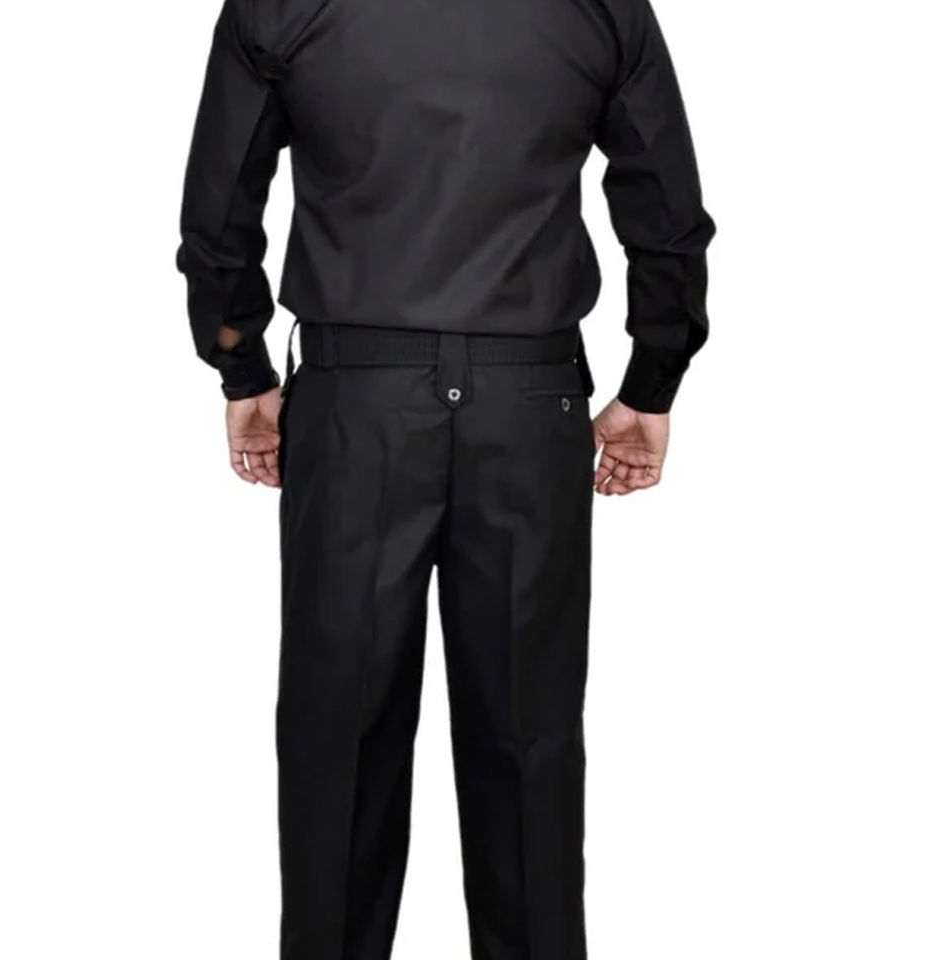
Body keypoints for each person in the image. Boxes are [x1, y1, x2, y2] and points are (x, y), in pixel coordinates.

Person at [176, 0, 715, 956]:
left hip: (355, 403)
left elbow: (220, 214)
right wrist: (652, 379)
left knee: (337, 739)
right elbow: (666, 213)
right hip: (531, 403)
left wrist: (243, 369)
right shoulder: (603, 8)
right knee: (530, 747)